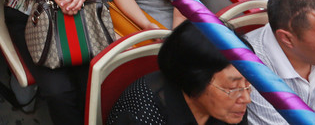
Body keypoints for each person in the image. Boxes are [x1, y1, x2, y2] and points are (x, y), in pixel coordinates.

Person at [107, 20, 252, 125]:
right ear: (195, 80)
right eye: (233, 88)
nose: (246, 98)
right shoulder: (143, 116)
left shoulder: (230, 107)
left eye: (248, 84)